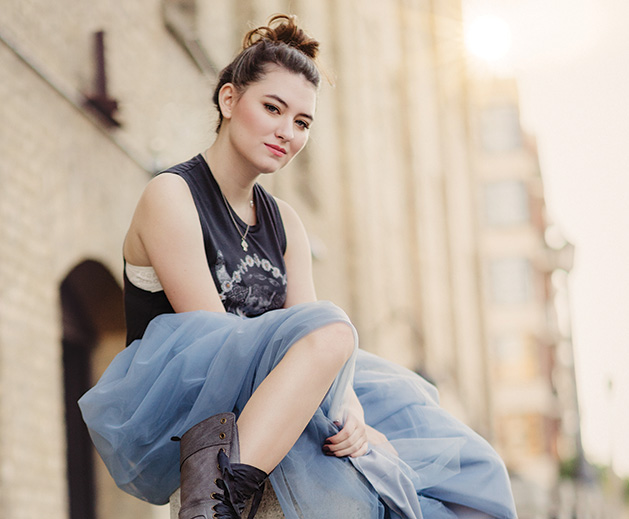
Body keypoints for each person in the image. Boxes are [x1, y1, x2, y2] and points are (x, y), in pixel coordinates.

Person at [79, 14, 518, 519]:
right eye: (273, 108)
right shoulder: (172, 195)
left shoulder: (285, 221)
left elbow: (314, 342)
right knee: (335, 333)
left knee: (475, 470)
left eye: (302, 122)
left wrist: (351, 411)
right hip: (193, 402)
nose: (287, 132)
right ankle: (211, 502)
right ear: (228, 100)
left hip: (286, 388)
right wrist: (331, 401)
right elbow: (217, 346)